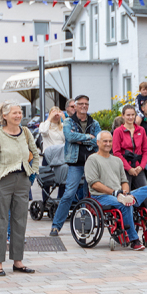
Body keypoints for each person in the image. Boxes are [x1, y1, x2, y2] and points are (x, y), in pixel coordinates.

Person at [0, 101, 39, 276]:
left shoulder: (26, 132)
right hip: (2, 181)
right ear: (5, 116)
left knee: (20, 221)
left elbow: (35, 154)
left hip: (22, 181)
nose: (18, 115)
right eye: (14, 112)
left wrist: (32, 174)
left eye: (20, 112)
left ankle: (18, 261)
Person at [85, 131, 147, 251]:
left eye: (110, 141)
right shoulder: (92, 159)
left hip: (120, 194)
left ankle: (130, 199)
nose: (108, 144)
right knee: (124, 203)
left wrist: (125, 192)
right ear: (98, 142)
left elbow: (124, 181)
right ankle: (134, 240)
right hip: (101, 196)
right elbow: (94, 184)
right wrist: (114, 193)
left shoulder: (117, 160)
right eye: (105, 141)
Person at [113, 104, 147, 242]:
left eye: (132, 115)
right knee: (126, 199)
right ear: (123, 116)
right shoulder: (118, 131)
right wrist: (128, 168)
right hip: (125, 169)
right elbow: (117, 152)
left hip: (138, 168)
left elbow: (145, 151)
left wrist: (141, 167)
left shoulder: (140, 130)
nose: (130, 117)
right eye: (128, 115)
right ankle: (125, 231)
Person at [50, 95, 100, 237]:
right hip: (75, 163)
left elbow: (98, 140)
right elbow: (69, 137)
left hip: (92, 163)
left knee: (87, 194)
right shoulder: (69, 122)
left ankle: (84, 226)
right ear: (76, 106)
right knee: (69, 193)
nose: (84, 106)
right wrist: (87, 137)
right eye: (81, 104)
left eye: (86, 104)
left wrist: (82, 139)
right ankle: (56, 226)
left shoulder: (94, 123)